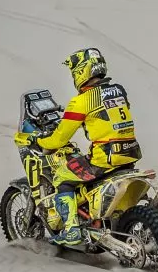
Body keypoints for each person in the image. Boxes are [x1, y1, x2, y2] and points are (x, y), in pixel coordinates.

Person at [33, 47, 142, 246]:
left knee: (62, 177)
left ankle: (72, 230)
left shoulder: (81, 102)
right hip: (130, 153)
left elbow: (59, 139)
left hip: (104, 158)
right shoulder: (119, 90)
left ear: (81, 71)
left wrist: (40, 142)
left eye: (74, 71)